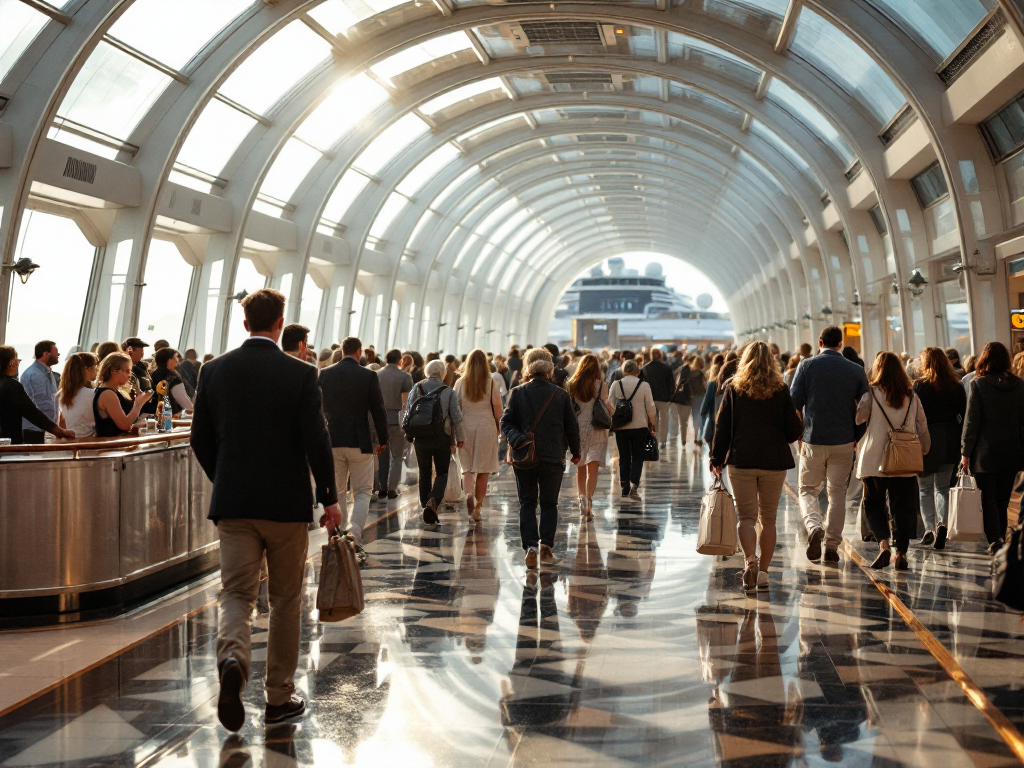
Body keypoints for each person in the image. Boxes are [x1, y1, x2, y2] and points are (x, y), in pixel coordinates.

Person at [190, 288, 341, 731]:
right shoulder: (300, 373)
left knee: (235, 592)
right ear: (279, 324)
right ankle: (278, 697)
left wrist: (227, 479)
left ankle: (234, 655)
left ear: (244, 324)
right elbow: (317, 439)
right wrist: (328, 498)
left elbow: (199, 438)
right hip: (285, 505)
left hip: (235, 504)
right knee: (285, 599)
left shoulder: (213, 371)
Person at [710, 342, 803, 591]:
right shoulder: (781, 389)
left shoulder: (733, 388)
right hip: (773, 462)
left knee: (747, 518)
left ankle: (749, 560)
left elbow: (722, 427)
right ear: (771, 361)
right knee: (769, 518)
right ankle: (763, 572)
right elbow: (794, 431)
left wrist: (716, 459)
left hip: (742, 460)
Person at [790, 326, 869, 564]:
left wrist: (799, 433)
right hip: (844, 440)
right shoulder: (856, 370)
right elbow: (865, 407)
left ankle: (814, 525)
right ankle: (832, 546)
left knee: (807, 490)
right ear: (840, 345)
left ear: (820, 341)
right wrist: (856, 435)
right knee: (837, 494)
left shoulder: (806, 366)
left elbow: (793, 402)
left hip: (813, 438)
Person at [500, 348, 580, 569]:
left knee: (527, 502)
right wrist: (576, 452)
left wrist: (517, 439)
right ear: (549, 373)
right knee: (549, 503)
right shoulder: (561, 394)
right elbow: (571, 427)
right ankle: (546, 549)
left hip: (524, 454)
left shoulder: (516, 392)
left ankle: (531, 548)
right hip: (553, 455)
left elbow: (505, 423)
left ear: (529, 371)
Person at [856, 352, 930, 570]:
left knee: (873, 504)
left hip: (874, 460)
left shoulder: (870, 393)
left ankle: (884, 545)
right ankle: (902, 553)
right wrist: (924, 448)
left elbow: (859, 417)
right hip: (904, 460)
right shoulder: (911, 396)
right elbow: (922, 425)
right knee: (903, 508)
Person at [319, 336, 388, 552]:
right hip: (360, 441)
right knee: (362, 491)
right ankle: (355, 532)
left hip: (333, 439)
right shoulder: (367, 375)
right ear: (360, 352)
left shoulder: (325, 374)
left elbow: (318, 408)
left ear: (341, 349)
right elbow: (378, 409)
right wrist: (383, 439)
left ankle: (338, 532)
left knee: (338, 489)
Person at [961, 341, 1024, 553]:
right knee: (1003, 501)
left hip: (984, 454)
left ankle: (995, 539)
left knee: (988, 500)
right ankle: (1002, 538)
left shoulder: (978, 385)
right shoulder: (1019, 385)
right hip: (1011, 451)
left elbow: (971, 422)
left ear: (984, 359)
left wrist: (965, 453)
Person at [913, 347, 967, 550]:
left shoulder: (919, 386)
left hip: (927, 439)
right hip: (950, 439)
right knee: (943, 488)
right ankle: (942, 524)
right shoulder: (956, 385)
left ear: (925, 363)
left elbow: (916, 416)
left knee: (925, 487)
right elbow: (962, 414)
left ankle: (928, 529)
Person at [408, 359, 464, 527]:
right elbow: (456, 417)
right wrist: (459, 438)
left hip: (421, 437)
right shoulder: (448, 391)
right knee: (442, 472)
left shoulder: (416, 388)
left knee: (424, 472)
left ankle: (425, 504)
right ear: (442, 373)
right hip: (442, 437)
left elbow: (409, 410)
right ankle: (433, 501)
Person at [454, 349, 503, 521]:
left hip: (465, 425)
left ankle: (469, 495)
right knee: (483, 469)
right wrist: (499, 428)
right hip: (486, 426)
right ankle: (478, 507)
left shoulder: (460, 383)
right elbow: (497, 407)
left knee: (467, 467)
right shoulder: (491, 383)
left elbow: (455, 407)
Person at [567, 354, 611, 519]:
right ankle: (589, 503)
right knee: (593, 470)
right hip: (596, 429)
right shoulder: (601, 386)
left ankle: (581, 501)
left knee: (580, 468)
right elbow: (606, 405)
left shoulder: (572, 385)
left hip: (578, 429)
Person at [0, 346, 75, 443]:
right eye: (17, 360)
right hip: (7, 443)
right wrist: (57, 430)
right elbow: (31, 412)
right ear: (12, 363)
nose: (18, 363)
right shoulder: (12, 386)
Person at [609, 359, 657, 500]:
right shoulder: (644, 385)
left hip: (622, 427)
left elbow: (610, 405)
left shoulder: (616, 384)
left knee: (624, 456)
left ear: (623, 370)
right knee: (638, 456)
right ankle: (634, 484)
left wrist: (614, 421)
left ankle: (624, 485)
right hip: (640, 426)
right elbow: (651, 406)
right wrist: (652, 423)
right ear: (638, 371)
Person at [376, 348, 413, 501]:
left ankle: (381, 488)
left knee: (382, 456)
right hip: (397, 421)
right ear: (400, 360)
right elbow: (406, 402)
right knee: (397, 456)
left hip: (380, 420)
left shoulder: (376, 375)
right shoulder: (405, 377)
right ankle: (392, 488)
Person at [93, 352, 152, 437]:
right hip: (110, 446)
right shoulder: (107, 394)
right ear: (114, 371)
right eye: (127, 371)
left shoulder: (115, 391)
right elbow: (124, 425)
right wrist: (138, 404)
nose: (129, 375)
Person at [19, 340, 60, 443]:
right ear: (46, 354)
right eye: (56, 352)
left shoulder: (47, 372)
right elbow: (39, 404)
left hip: (46, 428)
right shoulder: (34, 374)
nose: (58, 355)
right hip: (35, 430)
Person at [58, 352, 99, 438]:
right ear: (87, 369)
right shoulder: (94, 393)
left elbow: (62, 423)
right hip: (89, 442)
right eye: (95, 366)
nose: (97, 369)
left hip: (71, 440)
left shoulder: (62, 393)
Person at [641, 348, 675, 450]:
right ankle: (663, 441)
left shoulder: (645, 369)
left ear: (650, 355)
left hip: (650, 399)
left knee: (651, 421)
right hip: (664, 399)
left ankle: (652, 439)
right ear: (660, 356)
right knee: (663, 420)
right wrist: (670, 396)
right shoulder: (666, 368)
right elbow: (671, 384)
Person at [700, 357, 738, 446]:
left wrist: (703, 411)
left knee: (712, 437)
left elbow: (707, 399)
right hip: (730, 422)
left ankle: (713, 455)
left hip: (715, 415)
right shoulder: (735, 385)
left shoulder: (713, 383)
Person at [150, 348, 194, 415]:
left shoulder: (153, 375)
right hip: (171, 416)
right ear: (169, 361)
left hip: (155, 414)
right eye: (176, 357)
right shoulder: (174, 379)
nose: (178, 360)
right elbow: (185, 404)